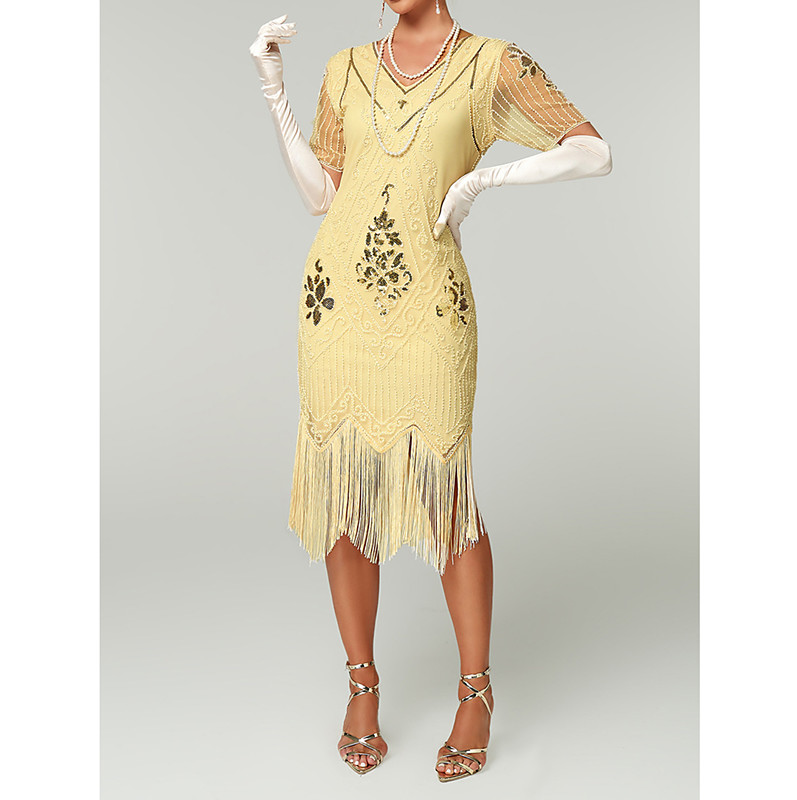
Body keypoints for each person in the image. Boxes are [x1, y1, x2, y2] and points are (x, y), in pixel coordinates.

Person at [249, 0, 612, 782]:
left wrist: (486, 177)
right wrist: (274, 89)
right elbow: (321, 195)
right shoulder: (345, 67)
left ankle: (476, 691)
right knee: (345, 492)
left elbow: (593, 151)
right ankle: (362, 685)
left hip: (431, 304)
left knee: (448, 498)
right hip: (336, 304)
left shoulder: (492, 63)